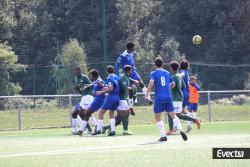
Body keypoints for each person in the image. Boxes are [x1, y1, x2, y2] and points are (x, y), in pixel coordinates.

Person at [146, 57, 187, 142]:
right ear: (163, 64)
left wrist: (148, 93)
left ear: (155, 64)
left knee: (157, 116)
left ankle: (163, 136)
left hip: (159, 97)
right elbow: (173, 85)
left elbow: (151, 83)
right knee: (173, 115)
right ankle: (181, 130)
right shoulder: (167, 73)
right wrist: (166, 88)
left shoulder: (153, 73)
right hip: (168, 96)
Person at [166, 61, 200, 135]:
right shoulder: (179, 76)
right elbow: (183, 86)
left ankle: (194, 120)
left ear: (171, 68)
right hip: (178, 97)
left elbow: (172, 85)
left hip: (176, 98)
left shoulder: (174, 76)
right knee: (171, 113)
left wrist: (166, 88)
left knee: (177, 114)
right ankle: (171, 129)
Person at [102, 65, 134, 135]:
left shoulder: (121, 76)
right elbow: (124, 87)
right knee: (126, 113)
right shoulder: (124, 77)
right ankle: (125, 130)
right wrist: (132, 88)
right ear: (129, 70)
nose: (131, 71)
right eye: (131, 70)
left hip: (118, 98)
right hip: (121, 98)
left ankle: (107, 128)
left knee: (119, 118)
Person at [76, 69, 106, 136]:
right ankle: (82, 130)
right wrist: (88, 85)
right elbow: (93, 84)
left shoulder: (99, 81)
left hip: (99, 100)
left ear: (92, 75)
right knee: (86, 113)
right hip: (96, 99)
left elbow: (106, 87)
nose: (89, 76)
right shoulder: (96, 81)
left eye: (90, 75)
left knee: (86, 113)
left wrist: (102, 91)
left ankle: (97, 128)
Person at [92, 65, 120, 136]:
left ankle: (98, 130)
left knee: (101, 112)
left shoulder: (109, 78)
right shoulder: (116, 77)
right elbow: (113, 86)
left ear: (107, 71)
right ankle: (113, 131)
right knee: (111, 113)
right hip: (117, 97)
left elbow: (111, 89)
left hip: (111, 97)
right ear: (113, 70)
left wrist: (101, 92)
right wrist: (105, 87)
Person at [74, 66, 97, 131]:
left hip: (88, 96)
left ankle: (95, 125)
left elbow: (92, 85)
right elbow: (80, 89)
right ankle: (89, 128)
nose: (77, 72)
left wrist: (86, 86)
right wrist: (78, 89)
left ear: (80, 71)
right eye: (76, 70)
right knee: (81, 113)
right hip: (84, 97)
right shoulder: (76, 78)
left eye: (79, 70)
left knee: (86, 113)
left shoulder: (84, 77)